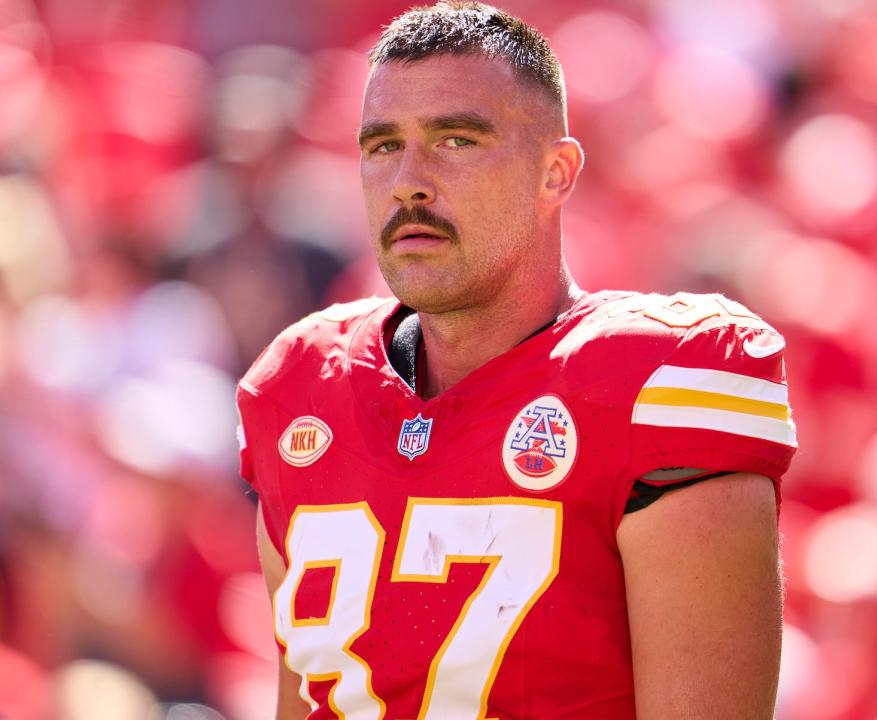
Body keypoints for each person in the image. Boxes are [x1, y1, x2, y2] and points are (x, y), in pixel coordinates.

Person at [236, 2, 797, 718]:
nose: (409, 180)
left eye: (456, 140)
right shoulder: (300, 386)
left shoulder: (656, 382)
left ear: (555, 173)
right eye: (382, 146)